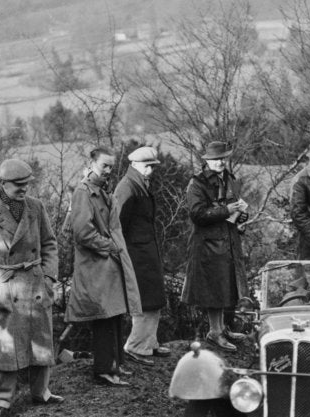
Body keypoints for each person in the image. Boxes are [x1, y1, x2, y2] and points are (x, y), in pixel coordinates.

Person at [0, 158, 60, 417]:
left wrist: (49, 278)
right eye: (18, 184)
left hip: (35, 284)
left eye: (26, 184)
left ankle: (41, 393)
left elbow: (50, 244)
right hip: (5, 287)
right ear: (2, 183)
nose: (23, 189)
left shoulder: (36, 207)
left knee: (41, 343)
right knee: (4, 349)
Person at [66, 147, 142, 386]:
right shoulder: (83, 192)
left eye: (111, 166)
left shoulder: (102, 191)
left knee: (116, 314)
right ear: (92, 164)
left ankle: (116, 365)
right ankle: (103, 371)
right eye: (104, 166)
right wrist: (109, 246)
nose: (109, 171)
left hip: (109, 263)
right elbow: (82, 232)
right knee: (104, 318)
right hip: (97, 265)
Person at [180, 140, 249, 352]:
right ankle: (215, 331)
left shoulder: (229, 178)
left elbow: (232, 207)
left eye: (222, 158)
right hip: (208, 243)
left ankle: (221, 328)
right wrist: (227, 210)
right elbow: (197, 215)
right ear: (207, 160)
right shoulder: (197, 183)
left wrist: (241, 215)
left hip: (227, 240)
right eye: (216, 159)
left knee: (225, 286)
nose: (220, 162)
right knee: (214, 289)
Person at [114, 146, 171, 365]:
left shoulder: (139, 184)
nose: (150, 171)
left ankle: (149, 342)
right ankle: (136, 346)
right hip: (136, 254)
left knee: (153, 299)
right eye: (147, 166)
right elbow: (117, 224)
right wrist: (124, 254)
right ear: (134, 165)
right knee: (144, 300)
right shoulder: (127, 187)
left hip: (146, 251)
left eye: (152, 166)